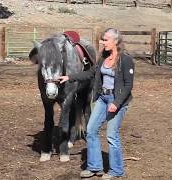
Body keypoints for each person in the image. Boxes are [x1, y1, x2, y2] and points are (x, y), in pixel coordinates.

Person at [57, 28, 135, 179]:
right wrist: (70, 77)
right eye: (102, 39)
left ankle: (116, 171)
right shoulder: (104, 57)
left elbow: (128, 85)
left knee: (112, 136)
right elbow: (91, 73)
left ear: (116, 41)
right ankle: (94, 167)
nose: (102, 42)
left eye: (106, 39)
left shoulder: (125, 60)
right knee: (91, 131)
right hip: (102, 99)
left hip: (116, 101)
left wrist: (117, 103)